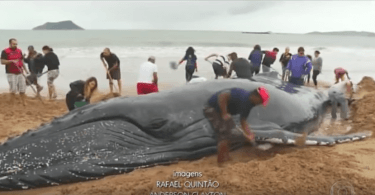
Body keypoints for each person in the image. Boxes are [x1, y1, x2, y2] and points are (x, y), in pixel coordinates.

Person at [203, 87, 270, 164]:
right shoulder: (242, 96)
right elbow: (222, 95)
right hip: (212, 108)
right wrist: (224, 113)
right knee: (223, 134)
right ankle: (221, 162)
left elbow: (243, 120)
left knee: (229, 133)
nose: (260, 103)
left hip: (222, 111)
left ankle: (226, 157)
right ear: (256, 96)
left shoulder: (250, 104)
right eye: (261, 101)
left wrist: (250, 134)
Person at [1, 38, 29, 106]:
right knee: (13, 89)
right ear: (10, 44)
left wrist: (25, 70)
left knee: (22, 88)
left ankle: (24, 102)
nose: (15, 45)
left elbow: (21, 61)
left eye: (16, 44)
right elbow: (2, 61)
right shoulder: (5, 51)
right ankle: (12, 103)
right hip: (11, 72)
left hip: (20, 72)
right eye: (14, 44)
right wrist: (11, 61)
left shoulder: (19, 50)